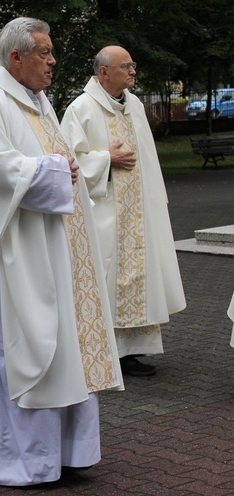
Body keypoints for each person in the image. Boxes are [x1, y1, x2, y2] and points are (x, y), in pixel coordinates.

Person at [0, 18, 123, 486]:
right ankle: (16, 459)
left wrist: (62, 168)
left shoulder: (38, 103)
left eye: (51, 52)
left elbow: (54, 164)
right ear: (16, 57)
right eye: (43, 53)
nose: (53, 61)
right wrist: (55, 169)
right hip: (13, 255)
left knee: (61, 346)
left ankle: (65, 451)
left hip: (53, 250)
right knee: (16, 353)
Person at [61, 46, 186, 377]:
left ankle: (130, 352)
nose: (133, 71)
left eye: (133, 65)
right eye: (126, 66)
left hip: (137, 214)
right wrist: (106, 159)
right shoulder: (81, 110)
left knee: (137, 278)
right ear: (104, 72)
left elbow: (147, 159)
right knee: (106, 278)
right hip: (103, 213)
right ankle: (101, 350)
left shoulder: (135, 106)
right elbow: (67, 163)